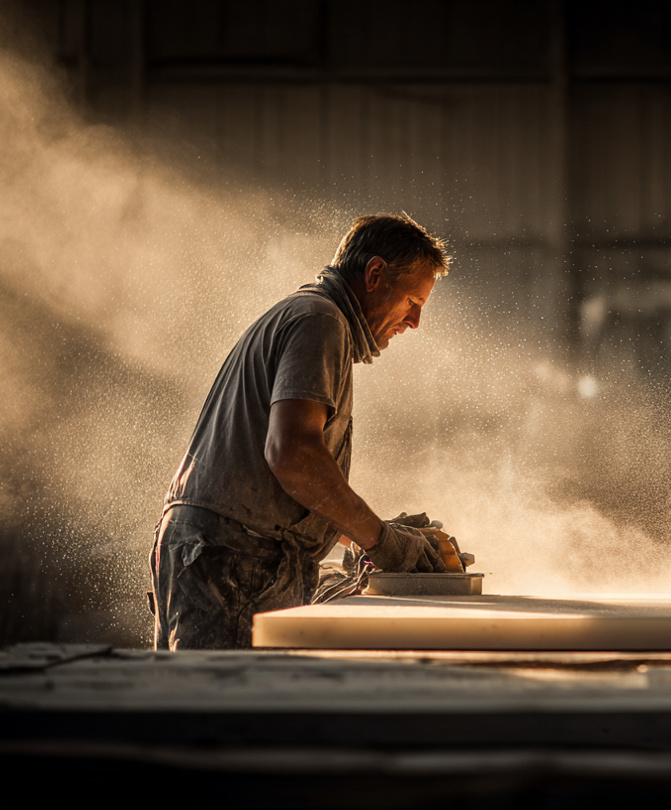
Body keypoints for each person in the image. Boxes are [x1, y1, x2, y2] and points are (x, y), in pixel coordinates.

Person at [150, 213, 461, 650]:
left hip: (215, 554)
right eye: (413, 301)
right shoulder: (320, 320)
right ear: (375, 274)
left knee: (190, 709)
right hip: (235, 562)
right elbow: (293, 455)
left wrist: (369, 532)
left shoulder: (304, 314)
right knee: (228, 710)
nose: (415, 322)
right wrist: (382, 541)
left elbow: (289, 475)